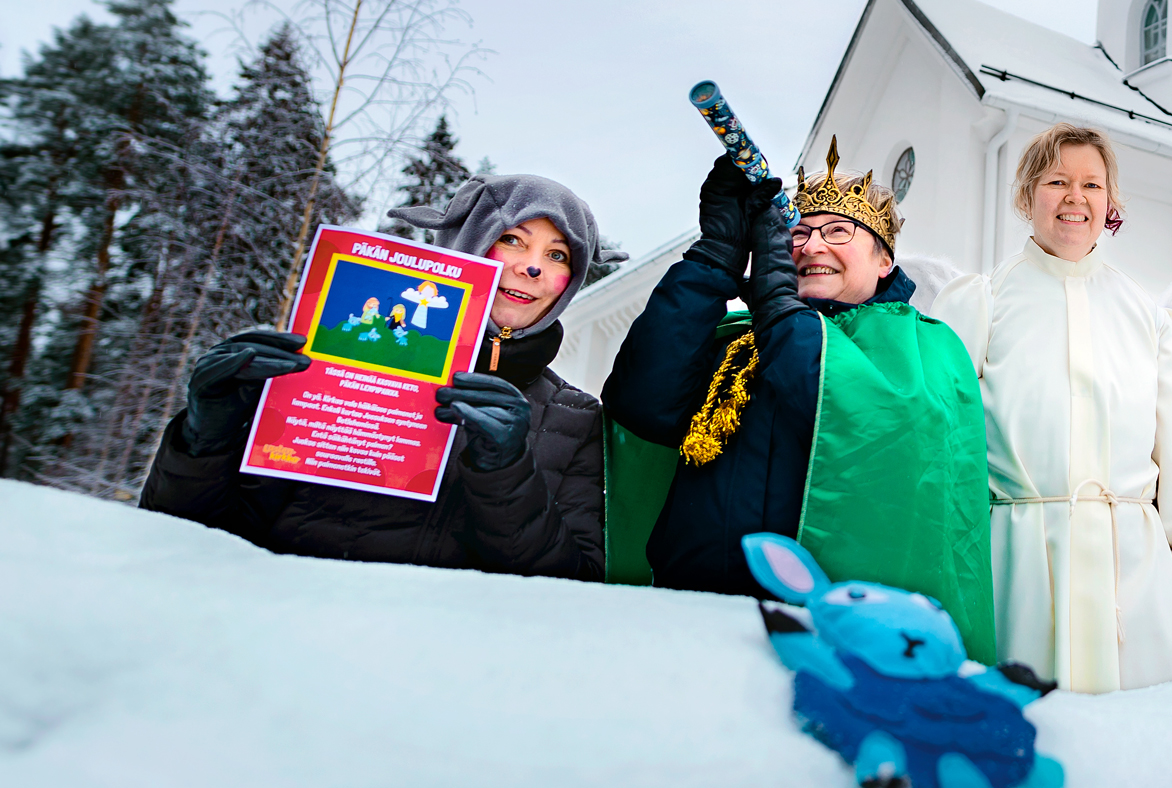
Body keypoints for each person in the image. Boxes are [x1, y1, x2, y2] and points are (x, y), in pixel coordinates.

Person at [601, 140, 995, 663]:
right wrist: (714, 256)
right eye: (798, 232)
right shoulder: (738, 338)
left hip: (829, 633)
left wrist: (778, 302)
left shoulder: (924, 346)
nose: (810, 247)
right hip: (691, 611)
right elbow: (642, 404)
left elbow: (862, 419)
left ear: (884, 261)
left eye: (837, 232)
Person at [140, 175, 624, 580]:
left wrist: (506, 472)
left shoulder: (577, 421)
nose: (533, 266)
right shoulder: (326, 367)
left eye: (558, 255)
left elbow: (571, 588)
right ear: (466, 245)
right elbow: (189, 541)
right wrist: (206, 436)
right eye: (512, 239)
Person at [934, 122, 1172, 694]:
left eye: (1092, 185)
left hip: (1134, 576)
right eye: (1057, 181)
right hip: (1018, 566)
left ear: (1110, 201)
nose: (1076, 197)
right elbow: (943, 454)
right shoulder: (982, 304)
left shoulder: (1153, 321)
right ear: (1027, 196)